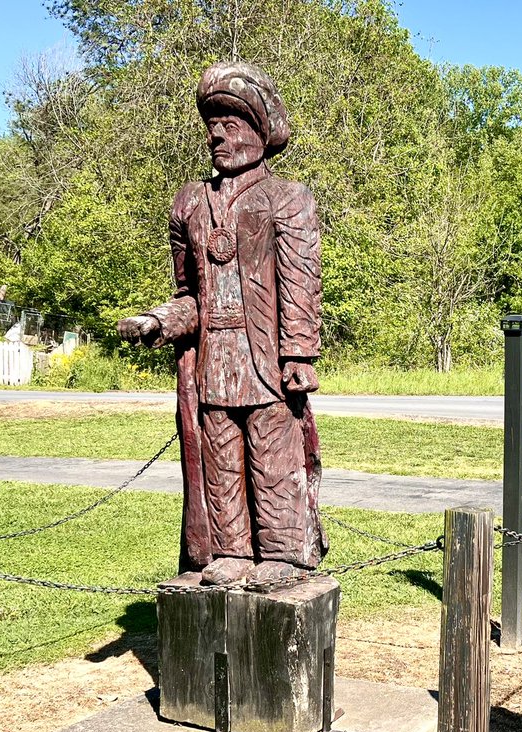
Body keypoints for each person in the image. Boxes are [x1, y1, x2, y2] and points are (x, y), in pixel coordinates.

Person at [117, 62, 326, 587]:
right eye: (212, 125)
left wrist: (299, 354)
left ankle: (284, 550)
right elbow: (190, 295)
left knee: (273, 454)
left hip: (267, 363)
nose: (216, 135)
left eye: (230, 125)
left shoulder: (288, 199)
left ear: (261, 131)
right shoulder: (190, 203)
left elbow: (300, 285)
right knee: (220, 460)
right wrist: (159, 321)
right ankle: (231, 550)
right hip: (213, 361)